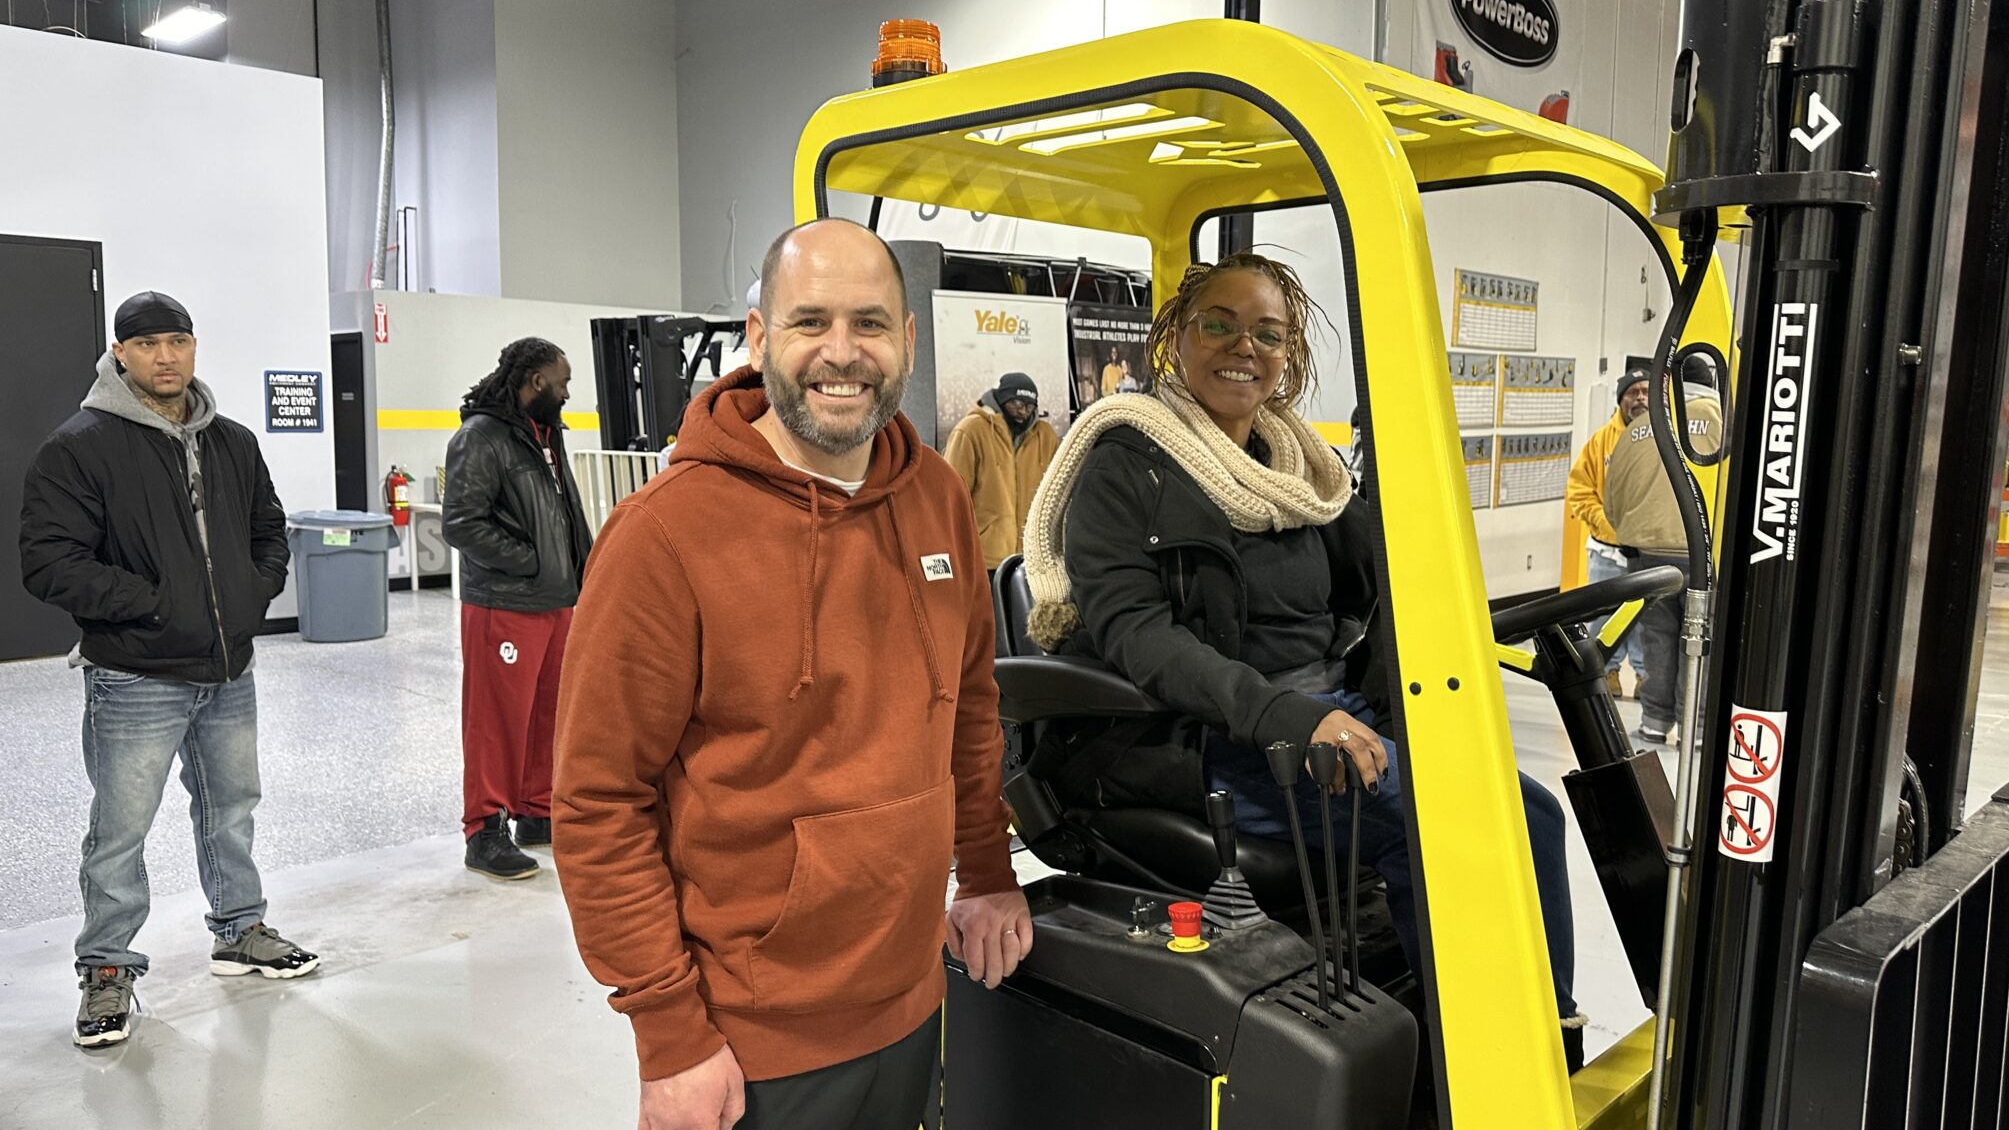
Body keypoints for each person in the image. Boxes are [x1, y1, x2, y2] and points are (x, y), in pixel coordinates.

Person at [1019, 252, 1584, 1066]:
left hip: (1321, 719)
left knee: (1524, 804)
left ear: (1290, 357)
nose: (1243, 346)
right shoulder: (1125, 466)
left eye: (1268, 334)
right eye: (1219, 323)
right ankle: (1503, 1067)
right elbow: (1139, 635)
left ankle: (1512, 1044)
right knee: (1485, 823)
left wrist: (1401, 707)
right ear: (1178, 334)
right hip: (1207, 737)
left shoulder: (1303, 471)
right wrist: (1285, 714)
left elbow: (1384, 590)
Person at [552, 217, 1030, 1130]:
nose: (842, 354)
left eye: (871, 324)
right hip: (751, 1037)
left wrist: (986, 870)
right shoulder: (664, 536)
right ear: (759, 335)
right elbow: (598, 801)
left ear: (908, 342)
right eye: (810, 322)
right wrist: (669, 1035)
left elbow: (970, 708)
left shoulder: (933, 494)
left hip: (915, 994)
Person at [19, 290, 319, 1050]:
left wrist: (252, 595)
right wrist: (151, 605)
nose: (165, 356)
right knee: (120, 829)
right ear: (120, 353)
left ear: (193, 347)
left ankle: (240, 929)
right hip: (135, 673)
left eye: (177, 341)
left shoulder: (234, 442)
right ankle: (108, 968)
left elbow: (267, 530)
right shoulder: (78, 447)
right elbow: (49, 563)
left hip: (227, 668)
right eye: (147, 343)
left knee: (231, 807)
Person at [442, 337, 593, 880]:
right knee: (497, 719)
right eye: (563, 382)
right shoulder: (481, 438)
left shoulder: (545, 436)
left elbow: (564, 512)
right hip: (505, 603)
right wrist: (528, 563)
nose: (568, 392)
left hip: (557, 601)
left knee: (547, 713)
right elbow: (462, 522)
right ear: (536, 382)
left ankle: (535, 810)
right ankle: (484, 830)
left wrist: (582, 565)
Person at [1604, 354, 1723, 746]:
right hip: (1700, 555)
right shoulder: (1722, 422)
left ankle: (1654, 721)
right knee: (1699, 641)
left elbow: (1612, 495)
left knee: (1657, 637)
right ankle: (1698, 727)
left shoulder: (1640, 424)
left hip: (1646, 556)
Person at [1564, 364, 1651, 697]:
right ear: (1621, 400)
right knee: (1602, 620)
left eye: (1645, 392)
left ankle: (1645, 677)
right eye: (1633, 393)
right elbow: (1579, 489)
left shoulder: (1664, 436)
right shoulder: (1601, 441)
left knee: (1644, 622)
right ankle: (1606, 674)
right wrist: (1605, 523)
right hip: (1606, 551)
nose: (1640, 398)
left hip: (1646, 552)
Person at [942, 370, 1059, 574]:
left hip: (1033, 560)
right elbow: (950, 498)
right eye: (1017, 404)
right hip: (984, 558)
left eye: (1029, 406)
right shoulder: (971, 430)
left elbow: (1058, 494)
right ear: (1001, 400)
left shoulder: (1046, 436)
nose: (1023, 411)